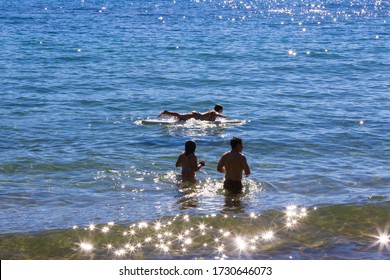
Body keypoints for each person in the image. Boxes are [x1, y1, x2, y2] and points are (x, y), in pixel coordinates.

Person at [158, 104, 227, 122]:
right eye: (222, 110)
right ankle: (166, 112)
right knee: (180, 116)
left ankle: (167, 114)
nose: (222, 111)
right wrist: (224, 117)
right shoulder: (214, 112)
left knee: (181, 119)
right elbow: (217, 114)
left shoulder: (213, 112)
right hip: (196, 116)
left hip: (197, 116)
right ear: (219, 110)